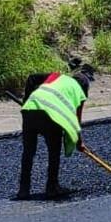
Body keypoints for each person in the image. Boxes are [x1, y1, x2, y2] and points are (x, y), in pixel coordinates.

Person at [16, 64, 94, 200]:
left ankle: (23, 189)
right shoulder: (80, 91)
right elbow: (76, 120)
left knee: (28, 151)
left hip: (29, 109)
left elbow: (32, 78)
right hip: (50, 116)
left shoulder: (56, 76)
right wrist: (79, 142)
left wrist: (26, 100)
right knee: (54, 151)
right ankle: (52, 187)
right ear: (85, 85)